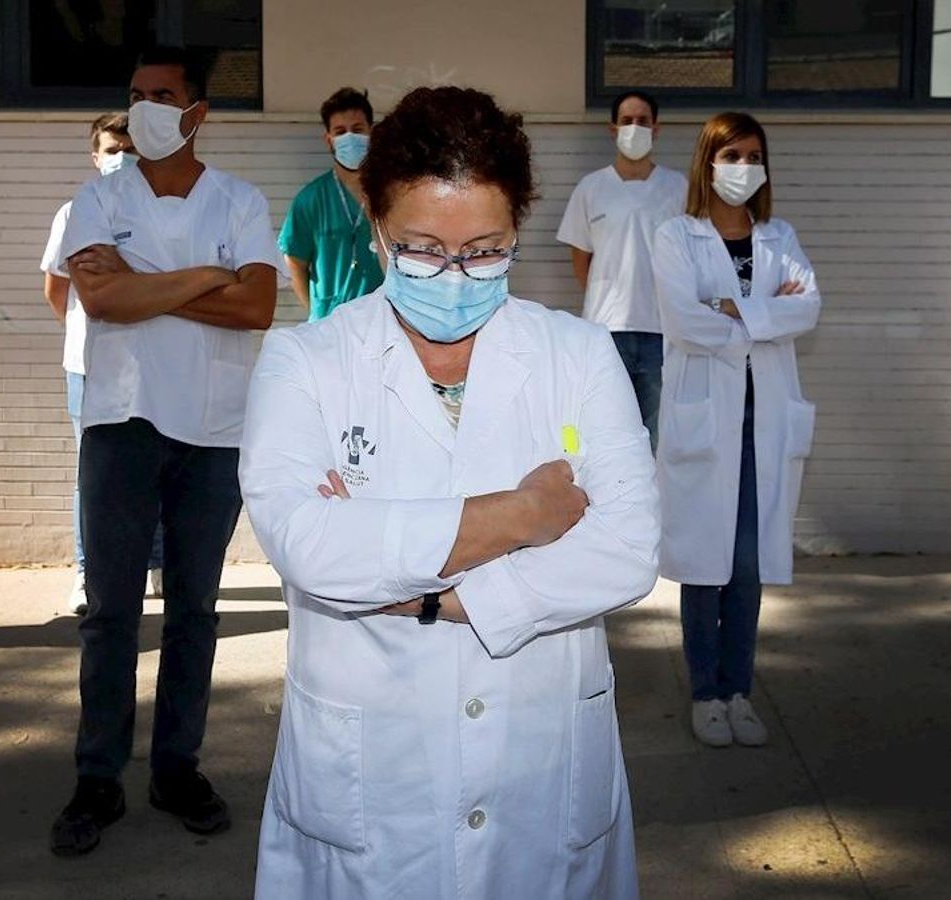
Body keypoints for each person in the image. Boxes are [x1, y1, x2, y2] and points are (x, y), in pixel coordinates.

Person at [242, 86, 658, 899]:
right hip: (369, 774)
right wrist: (524, 517)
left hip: (539, 759)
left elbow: (628, 550)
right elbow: (310, 546)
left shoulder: (579, 355)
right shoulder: (307, 363)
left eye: (485, 249)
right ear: (376, 227)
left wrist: (442, 598)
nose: (456, 276)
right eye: (423, 249)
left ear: (518, 233)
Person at [47, 46, 281, 856]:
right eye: (137, 94)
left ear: (197, 111)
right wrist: (205, 278)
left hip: (213, 432)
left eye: (164, 95)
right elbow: (100, 297)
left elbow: (258, 308)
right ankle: (97, 778)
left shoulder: (240, 201)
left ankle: (176, 767)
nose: (146, 107)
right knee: (111, 611)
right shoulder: (96, 197)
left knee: (194, 610)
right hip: (120, 423)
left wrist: (151, 281)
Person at [653, 112, 821, 748]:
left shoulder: (779, 235)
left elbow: (810, 305)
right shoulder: (676, 236)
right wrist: (763, 316)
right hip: (707, 418)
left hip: (766, 420)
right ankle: (704, 692)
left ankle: (738, 689)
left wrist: (734, 309)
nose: (743, 168)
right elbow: (684, 321)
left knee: (747, 564)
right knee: (704, 562)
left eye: (753, 156)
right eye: (731, 156)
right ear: (707, 162)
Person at [40, 112, 163, 616]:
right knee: (92, 476)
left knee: (157, 468)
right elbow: (56, 290)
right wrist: (86, 334)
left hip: (152, 362)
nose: (122, 158)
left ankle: (155, 564)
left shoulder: (160, 214)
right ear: (95, 157)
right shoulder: (73, 214)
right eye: (113, 149)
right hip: (89, 368)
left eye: (130, 148)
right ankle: (87, 573)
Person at [557, 90, 687, 449]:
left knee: (655, 434)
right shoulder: (591, 188)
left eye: (643, 121)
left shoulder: (678, 188)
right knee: (604, 430)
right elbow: (580, 260)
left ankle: (650, 506)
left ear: (656, 129)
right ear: (612, 129)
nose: (635, 128)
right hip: (605, 331)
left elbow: (690, 261)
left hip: (662, 332)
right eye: (627, 121)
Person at [279, 87, 384, 321]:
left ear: (372, 134)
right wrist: (317, 312)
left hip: (381, 323)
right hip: (330, 326)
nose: (349, 138)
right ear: (328, 140)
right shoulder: (310, 200)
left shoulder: (389, 194)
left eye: (357, 130)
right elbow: (294, 262)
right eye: (340, 131)